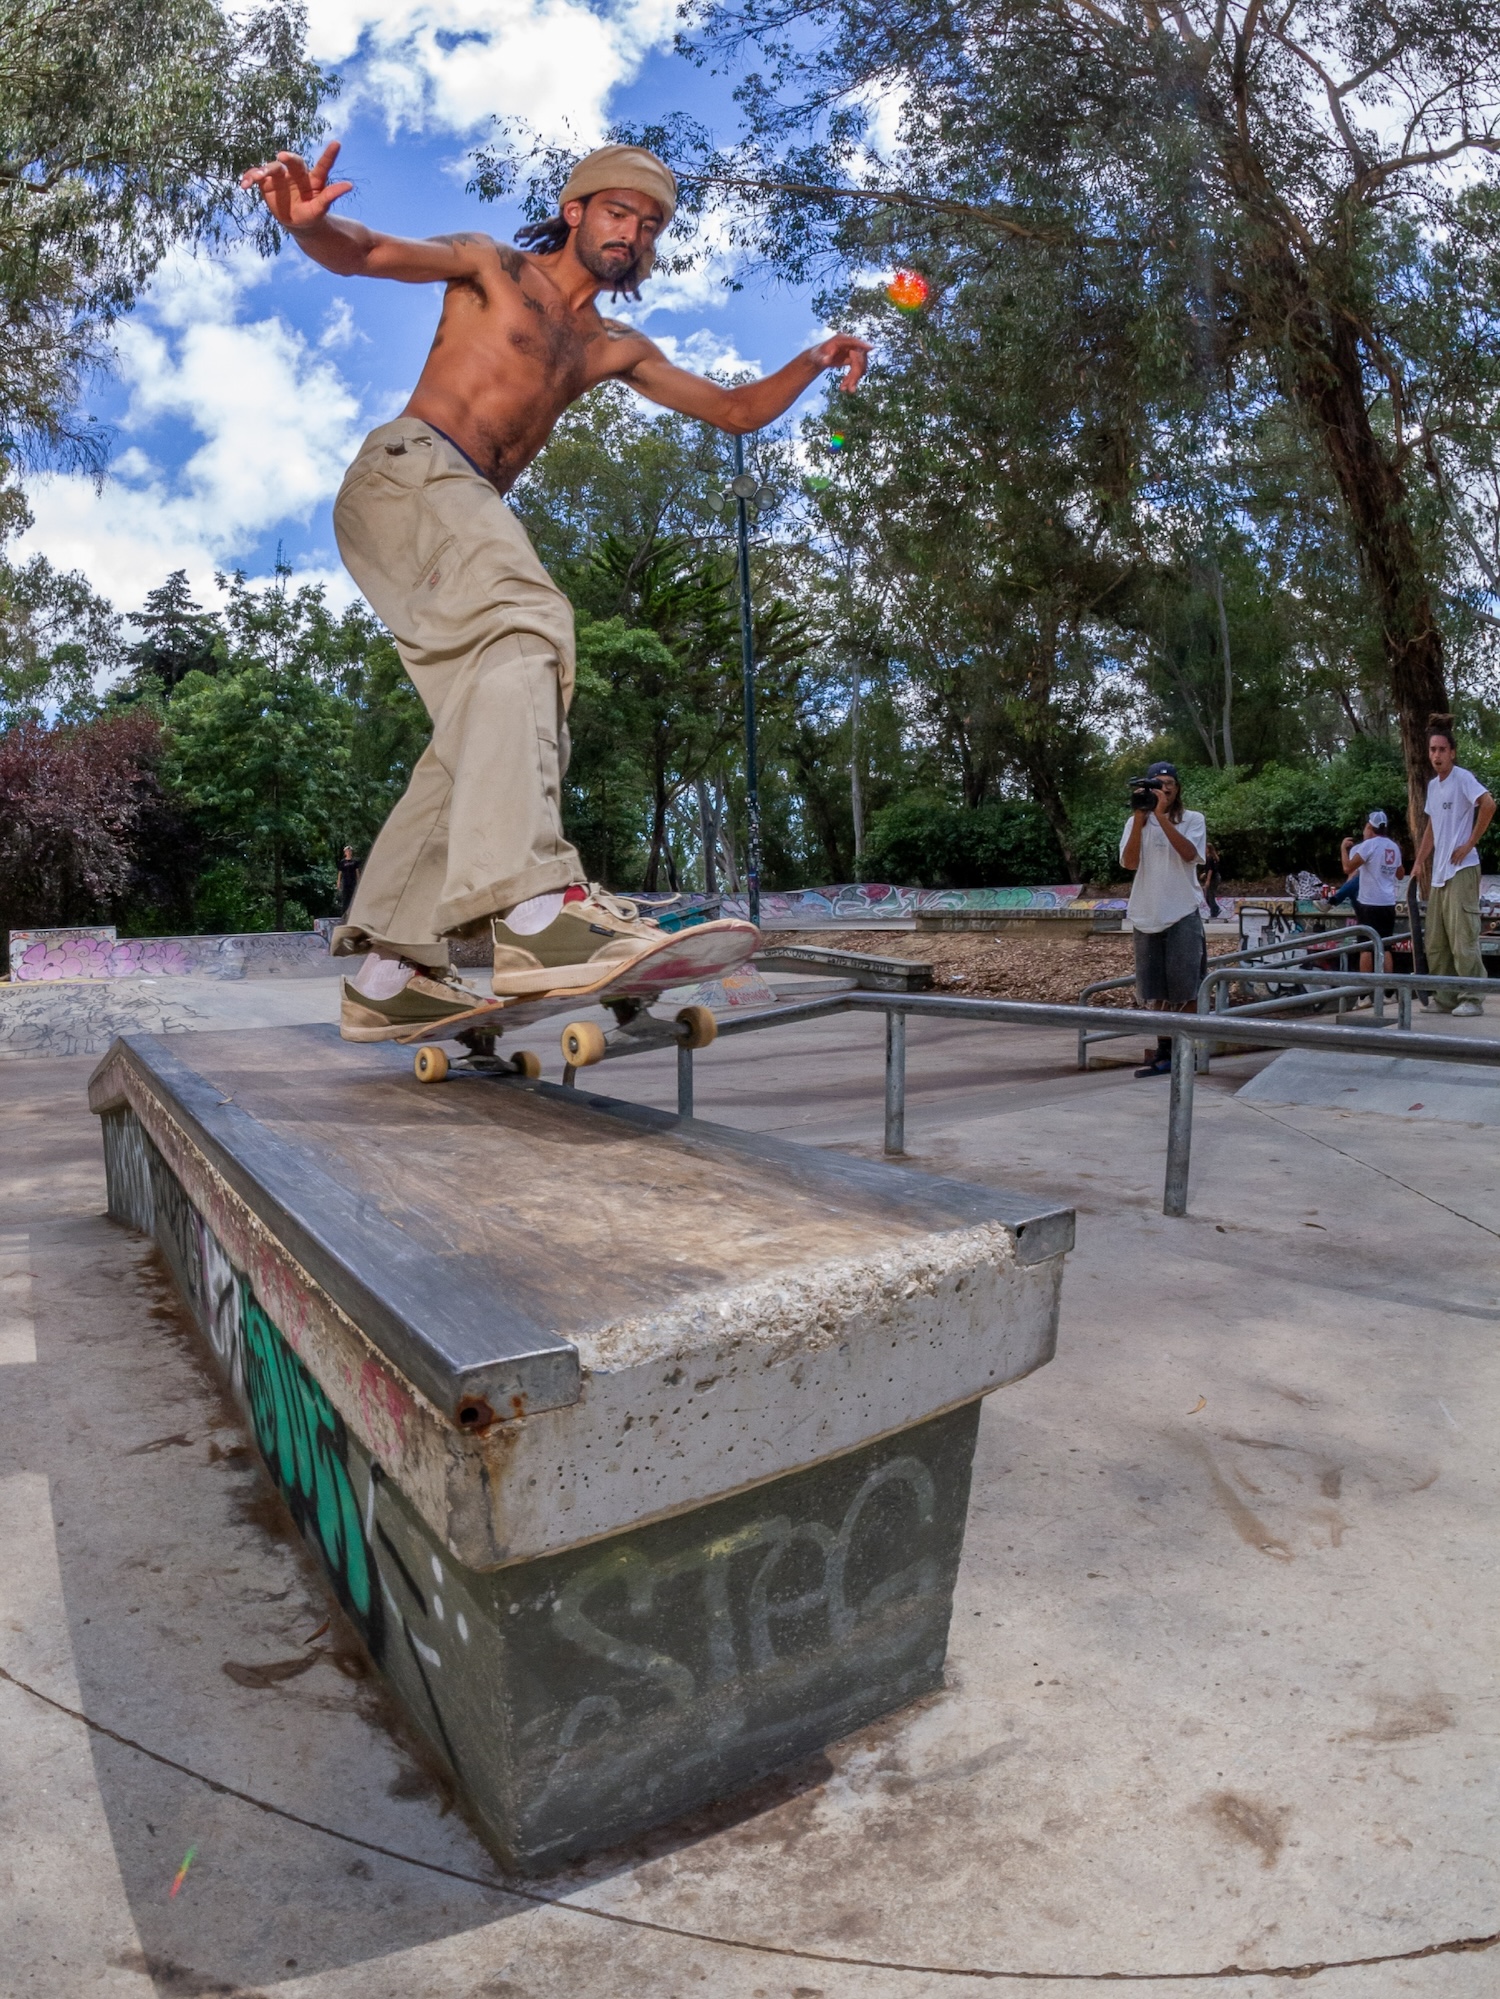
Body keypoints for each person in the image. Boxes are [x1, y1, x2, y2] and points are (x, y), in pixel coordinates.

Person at [239, 140, 871, 1041]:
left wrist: (811, 358)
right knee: (530, 622)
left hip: (443, 516)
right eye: (619, 212)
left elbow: (733, 410)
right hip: (412, 474)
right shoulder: (493, 269)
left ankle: (392, 967)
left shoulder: (612, 348)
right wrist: (310, 227)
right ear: (576, 211)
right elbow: (369, 251)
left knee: (490, 715)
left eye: (650, 226)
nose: (634, 233)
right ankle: (535, 910)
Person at [1119, 762, 1208, 1076]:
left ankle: (1188, 1051)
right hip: (1146, 913)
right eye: (1157, 784)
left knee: (1186, 989)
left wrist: (1160, 816)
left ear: (1178, 788)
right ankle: (1164, 1051)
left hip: (1182, 911)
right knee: (1154, 990)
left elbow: (1188, 854)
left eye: (1170, 783)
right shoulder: (1136, 822)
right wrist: (1142, 818)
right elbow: (1129, 862)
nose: (1164, 788)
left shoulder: (1193, 819)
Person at [1411, 717, 1495, 1016]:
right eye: (1432, 749)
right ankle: (1445, 997)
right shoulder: (1434, 786)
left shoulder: (1462, 778)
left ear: (1452, 752)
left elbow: (1489, 804)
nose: (1436, 755)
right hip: (1439, 874)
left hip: (1462, 868)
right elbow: (1432, 827)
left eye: (1442, 750)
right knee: (1436, 941)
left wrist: (1470, 843)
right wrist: (1419, 862)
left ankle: (1472, 998)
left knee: (1463, 940)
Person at [1337, 812, 1403, 973]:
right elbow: (1400, 874)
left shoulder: (1369, 845)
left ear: (1370, 827)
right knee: (1386, 946)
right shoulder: (1393, 846)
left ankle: (1365, 993)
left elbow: (1348, 867)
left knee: (1366, 947)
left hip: (1369, 903)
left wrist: (1343, 849)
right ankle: (1388, 992)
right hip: (1388, 902)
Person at [336, 845, 361, 917]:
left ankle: (354, 913)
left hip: (353, 882)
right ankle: (344, 914)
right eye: (347, 851)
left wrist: (359, 882)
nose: (349, 852)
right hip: (345, 882)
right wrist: (338, 882)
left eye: (350, 851)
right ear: (345, 852)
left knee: (353, 897)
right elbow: (340, 873)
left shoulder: (355, 862)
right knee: (345, 898)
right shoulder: (343, 862)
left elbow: (357, 872)